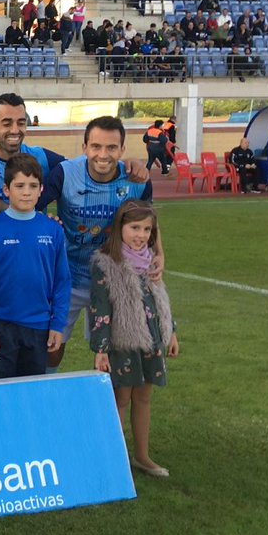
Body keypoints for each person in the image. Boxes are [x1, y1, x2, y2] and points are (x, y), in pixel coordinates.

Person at [38, 117, 154, 374]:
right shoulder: (65, 174)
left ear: (122, 150)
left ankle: (107, 397)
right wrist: (46, 223)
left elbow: (148, 225)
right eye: (96, 146)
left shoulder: (137, 181)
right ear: (84, 148)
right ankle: (47, 387)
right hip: (66, 277)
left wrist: (160, 255)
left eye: (111, 147)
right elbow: (31, 209)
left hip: (113, 279)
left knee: (114, 352)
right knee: (52, 347)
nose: (103, 154)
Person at [90, 201, 178, 477]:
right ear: (120, 228)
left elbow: (160, 296)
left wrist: (171, 331)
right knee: (121, 400)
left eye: (146, 229)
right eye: (135, 228)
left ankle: (142, 456)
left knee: (144, 398)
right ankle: (114, 460)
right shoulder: (105, 263)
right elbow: (100, 309)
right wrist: (101, 349)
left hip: (151, 339)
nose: (141, 235)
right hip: (122, 342)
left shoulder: (151, 259)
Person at [0, 154, 70, 379]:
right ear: (6, 190)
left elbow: (62, 281)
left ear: (41, 189)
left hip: (39, 326)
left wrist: (57, 324)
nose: (26, 192)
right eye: (19, 185)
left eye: (33, 186)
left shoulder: (52, 230)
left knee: (30, 392)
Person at [0, 93, 67, 204]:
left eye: (21, 123)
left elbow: (74, 169)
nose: (15, 130)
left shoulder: (41, 157)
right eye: (7, 124)